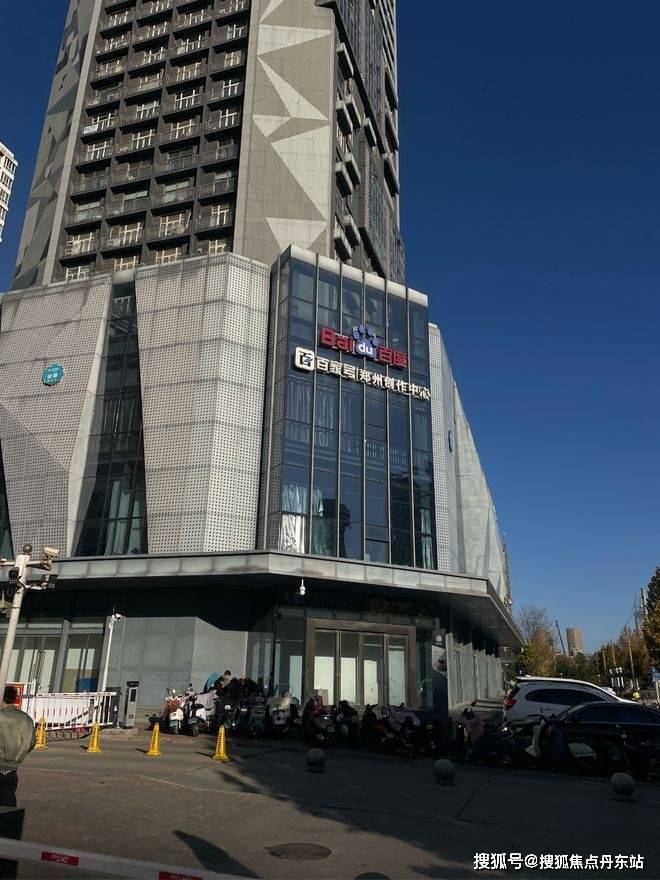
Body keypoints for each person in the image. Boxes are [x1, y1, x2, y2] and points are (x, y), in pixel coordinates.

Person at [0, 686, 36, 807]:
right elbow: (31, 742)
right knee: (8, 803)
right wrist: (18, 754)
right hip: (12, 768)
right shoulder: (26, 718)